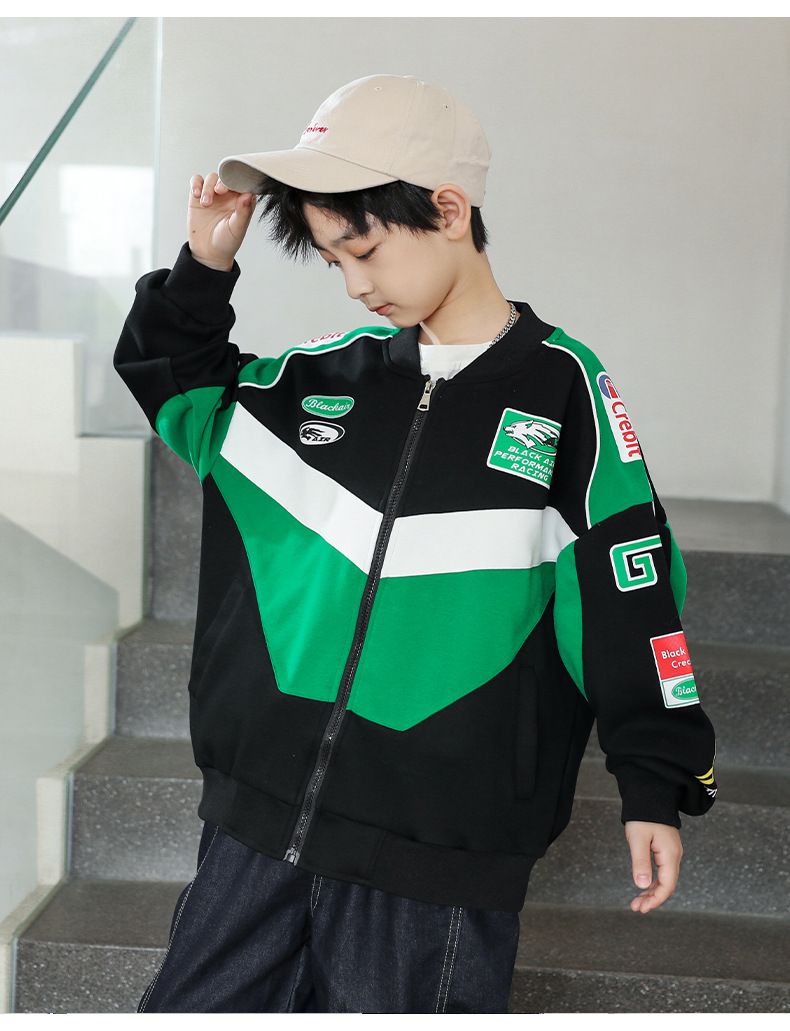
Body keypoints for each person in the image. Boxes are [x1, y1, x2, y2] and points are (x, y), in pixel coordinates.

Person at [115, 74, 717, 1014]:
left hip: (439, 864)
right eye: (332, 261)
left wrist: (654, 780)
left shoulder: (565, 395)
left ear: (448, 210)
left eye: (365, 250)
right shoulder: (311, 383)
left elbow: (627, 595)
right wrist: (203, 268)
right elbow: (177, 384)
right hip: (254, 832)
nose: (357, 284)